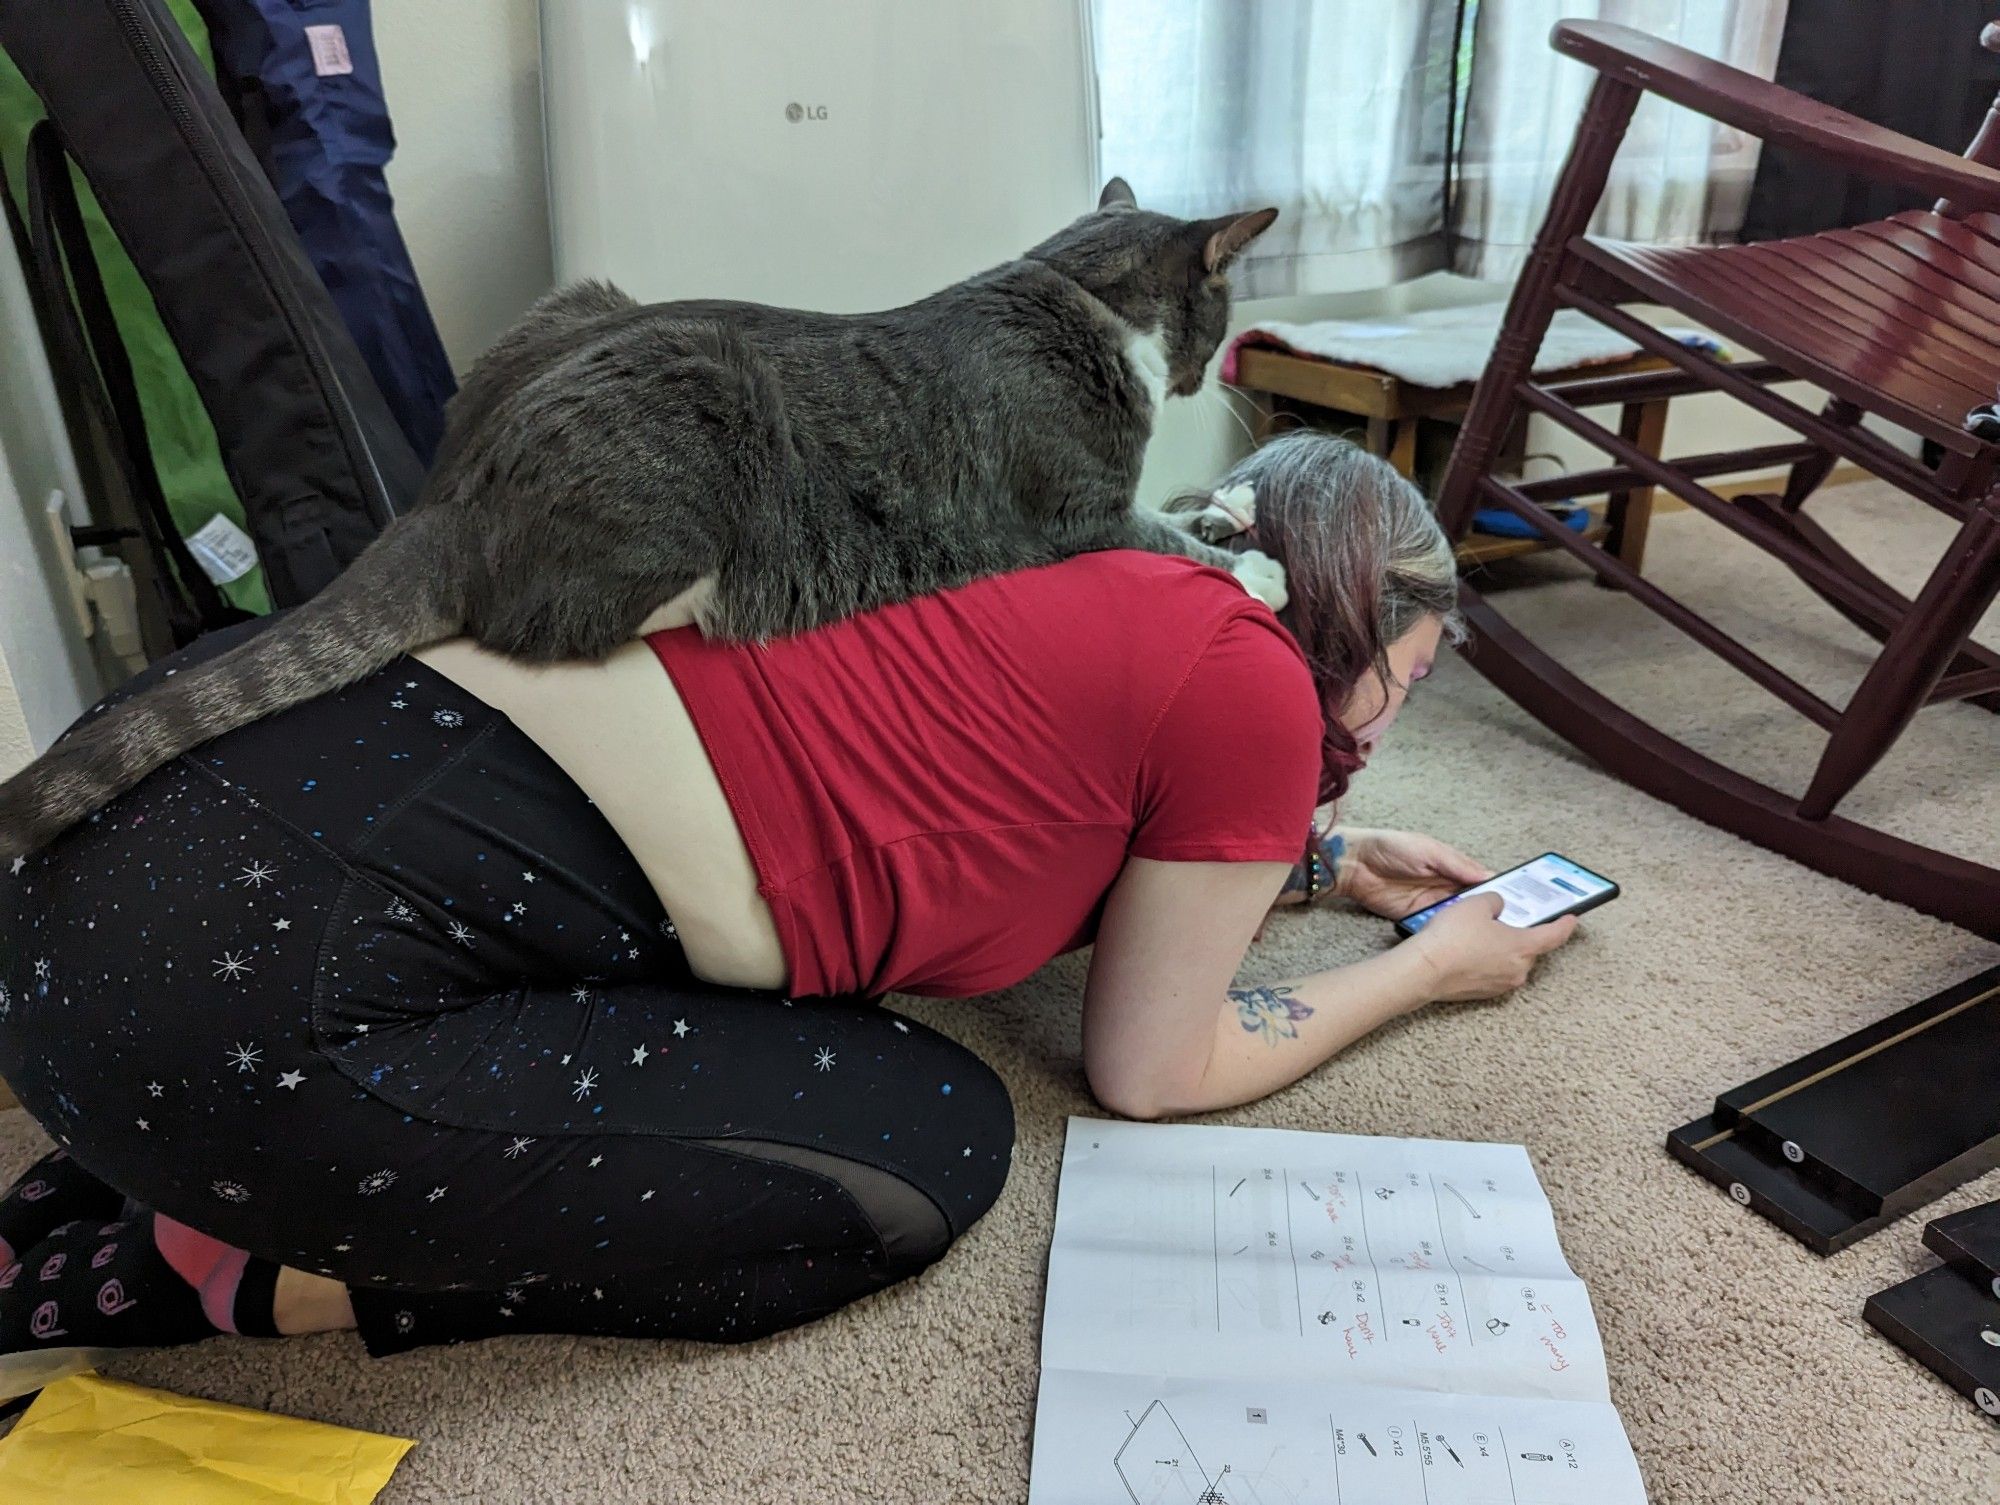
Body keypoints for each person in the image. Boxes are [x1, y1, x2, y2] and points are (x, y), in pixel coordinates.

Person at [0, 434, 1574, 1372]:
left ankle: (199, 1171)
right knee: (919, 1154)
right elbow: (1154, 1070)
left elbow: (1009, 813)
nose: (1373, 741)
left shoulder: (1068, 544)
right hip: (233, 1019)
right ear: (1350, 616)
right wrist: (1431, 969)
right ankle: (211, 1265)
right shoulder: (1256, 689)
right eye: (1402, 685)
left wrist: (1299, 862)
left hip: (121, 834)